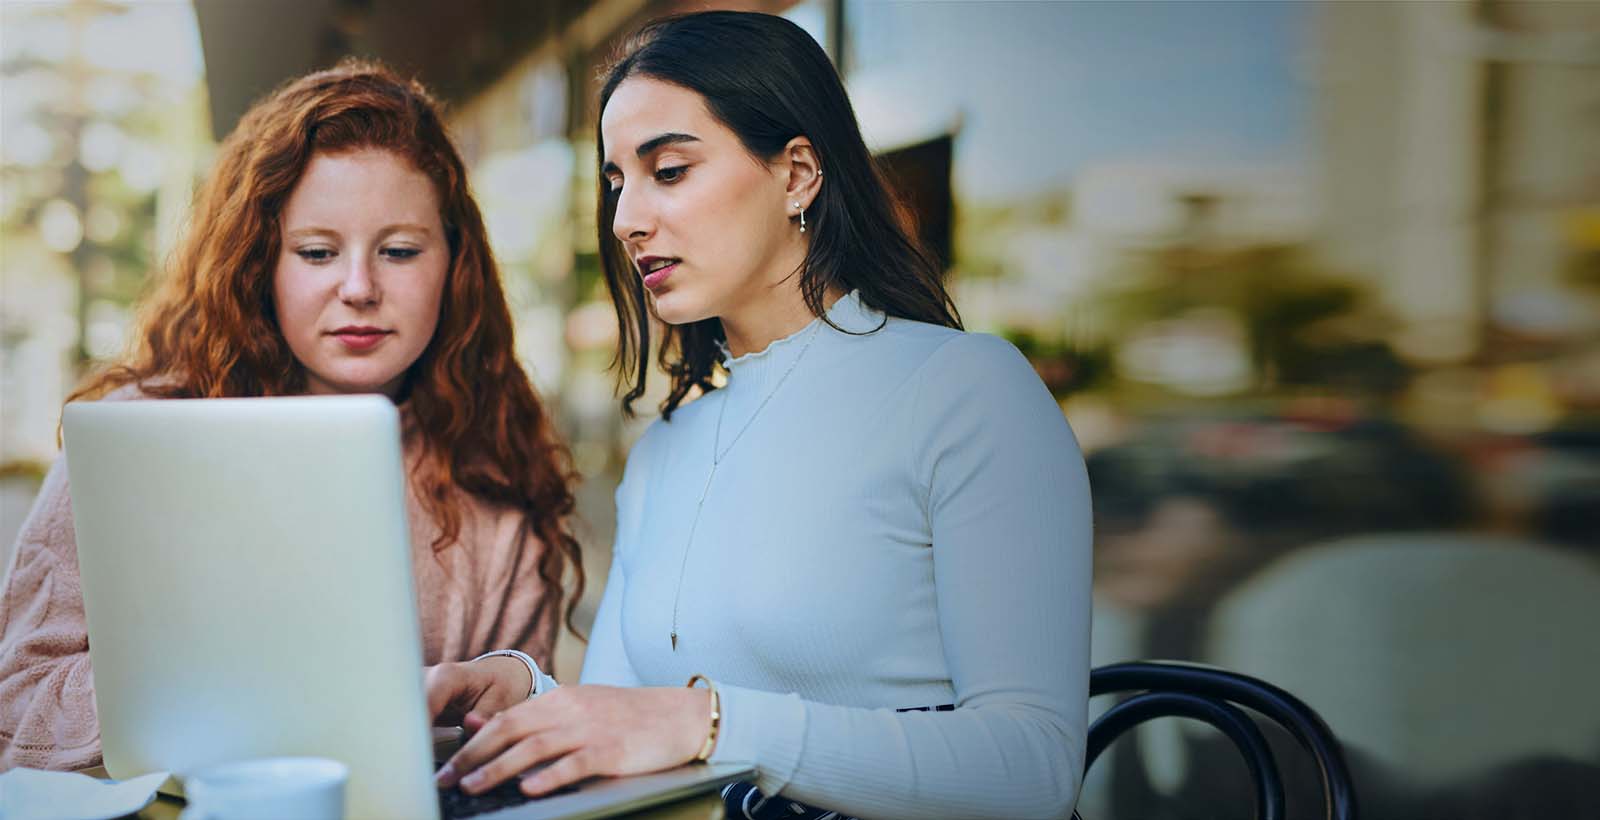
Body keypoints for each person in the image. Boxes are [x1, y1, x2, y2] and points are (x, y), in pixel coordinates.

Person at [426, 12, 1091, 820]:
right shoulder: (666, 449)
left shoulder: (964, 391)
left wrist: (713, 723)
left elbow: (1035, 770)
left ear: (798, 174)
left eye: (667, 170)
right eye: (614, 183)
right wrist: (527, 701)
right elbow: (628, 715)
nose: (627, 219)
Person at [0, 61, 582, 771]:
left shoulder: (496, 478)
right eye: (316, 252)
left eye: (399, 251)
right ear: (259, 262)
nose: (360, 287)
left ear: (455, 263)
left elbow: (516, 762)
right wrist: (241, 681)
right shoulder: (137, 438)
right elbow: (17, 706)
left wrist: (513, 690)